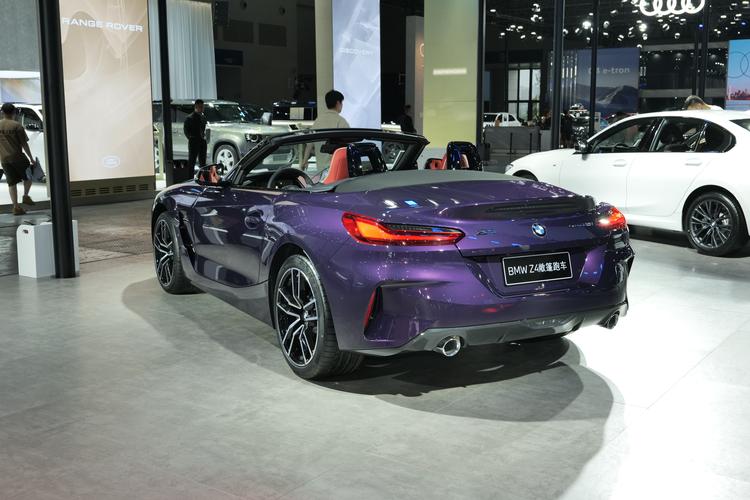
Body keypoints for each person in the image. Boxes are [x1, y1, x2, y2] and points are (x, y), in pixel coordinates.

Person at [300, 90, 350, 171]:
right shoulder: (340, 121)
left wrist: (305, 160)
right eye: (342, 103)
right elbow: (349, 143)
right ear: (338, 103)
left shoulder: (318, 120)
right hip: (336, 168)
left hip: (320, 169)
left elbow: (309, 144)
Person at [0, 103, 35, 215]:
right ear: (14, 112)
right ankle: (25, 196)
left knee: (11, 183)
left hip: (4, 159)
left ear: (2, 112)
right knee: (29, 175)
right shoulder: (17, 126)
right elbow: (24, 144)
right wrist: (31, 158)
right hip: (18, 157)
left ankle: (16, 207)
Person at [184, 99, 207, 169]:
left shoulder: (203, 117)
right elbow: (186, 130)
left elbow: (204, 128)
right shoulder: (190, 118)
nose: (202, 109)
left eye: (203, 107)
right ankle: (190, 175)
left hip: (202, 141)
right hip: (193, 141)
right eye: (200, 107)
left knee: (203, 162)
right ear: (196, 107)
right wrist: (191, 138)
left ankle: (202, 175)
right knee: (192, 161)